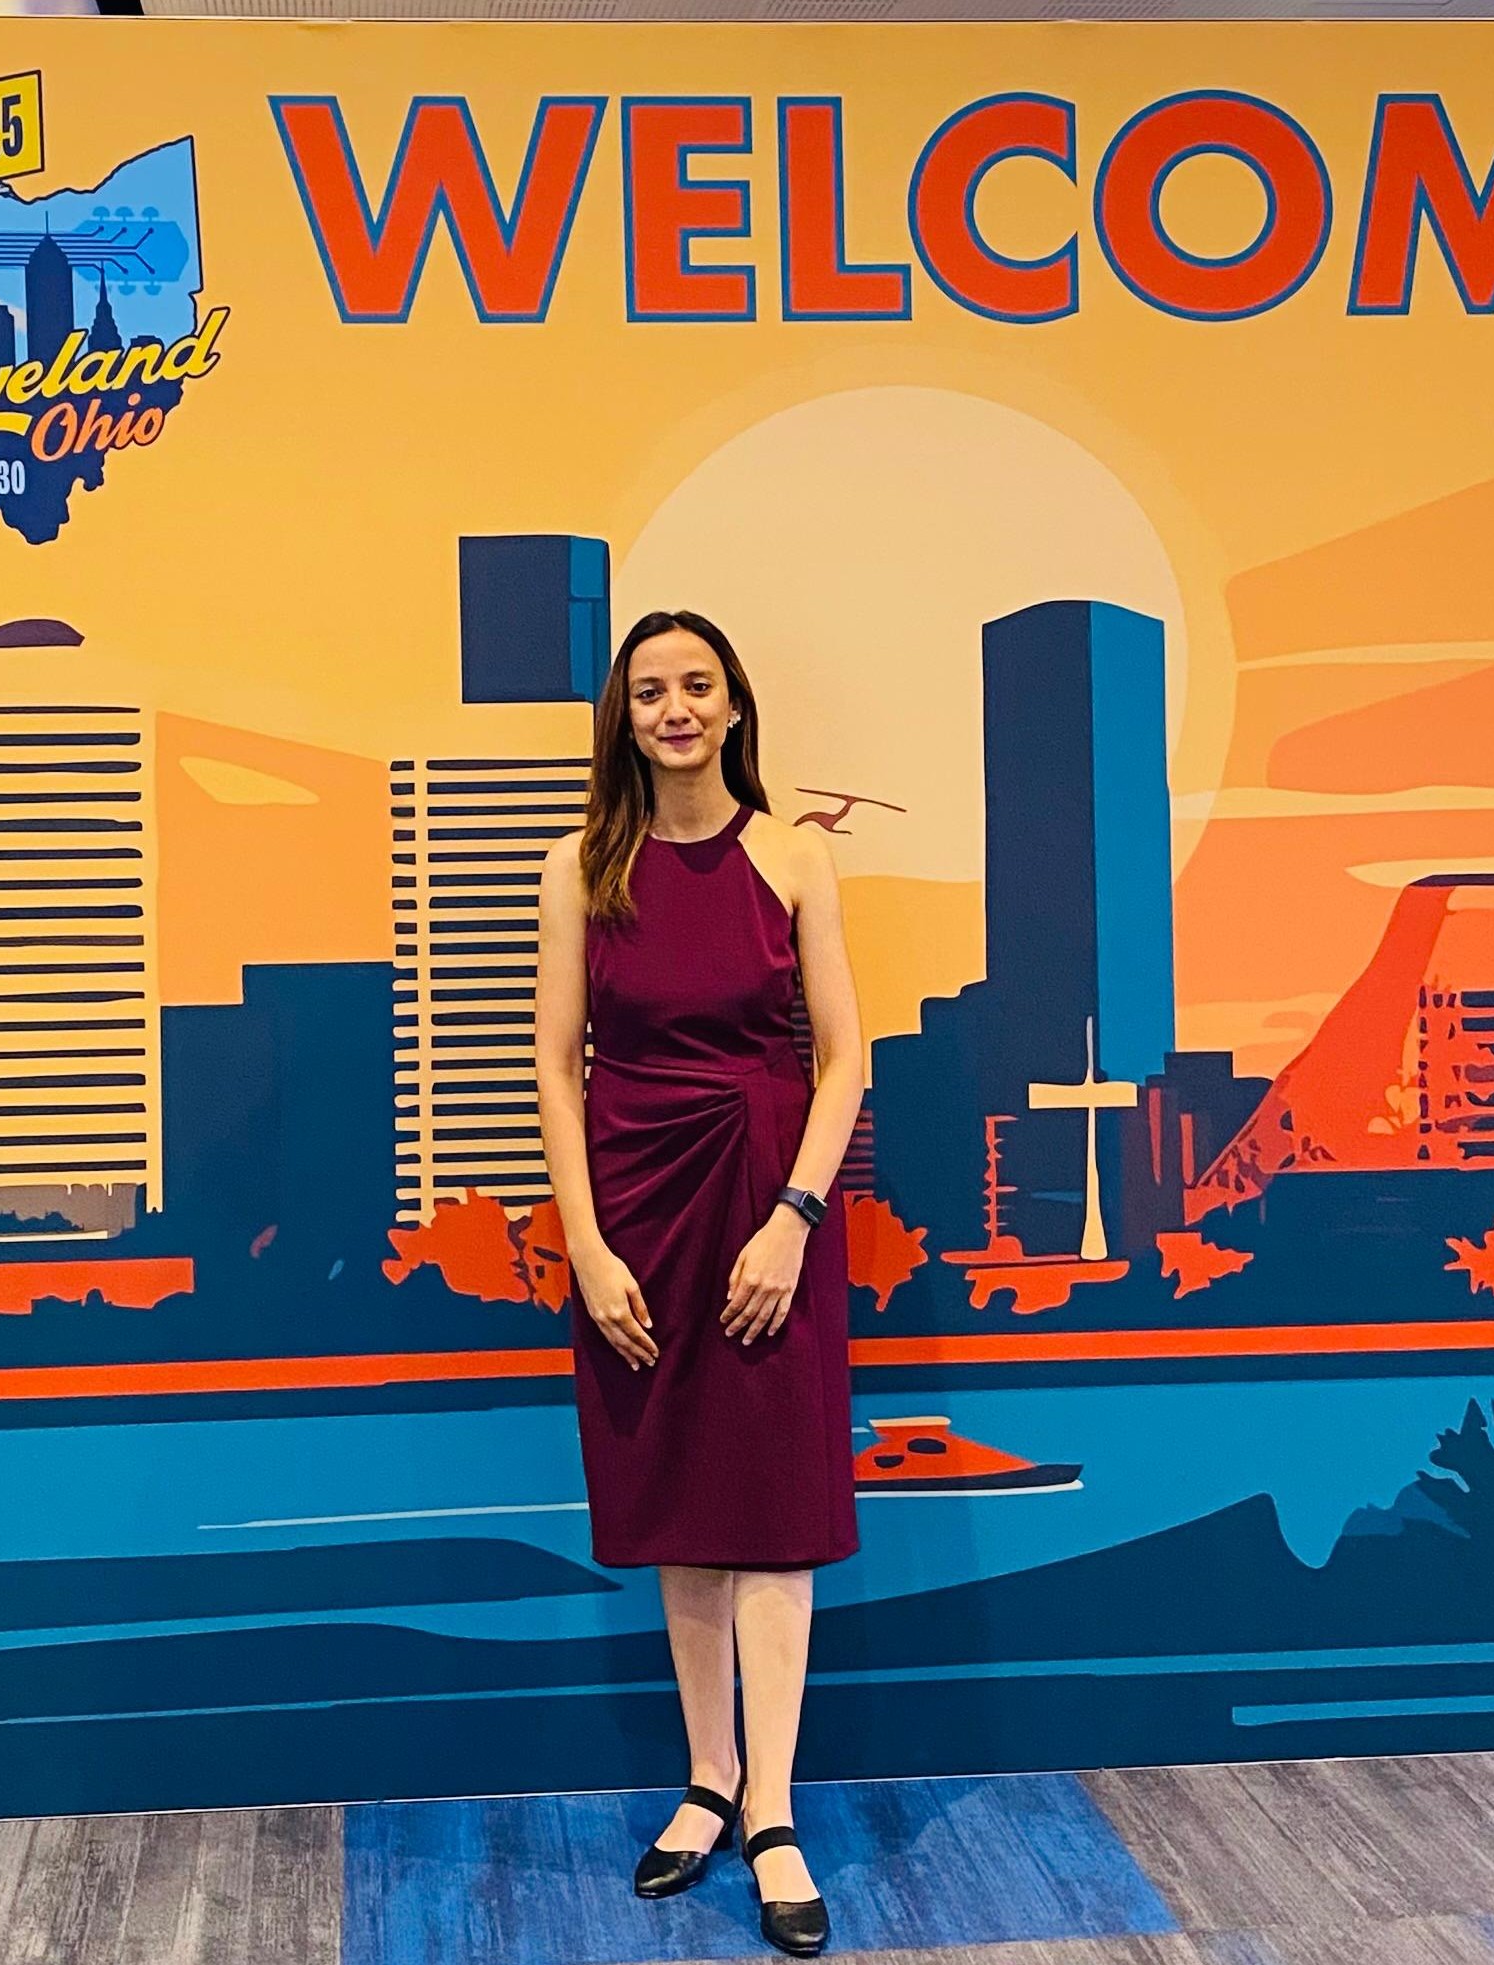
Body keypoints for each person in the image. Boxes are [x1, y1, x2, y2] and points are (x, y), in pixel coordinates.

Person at [535, 610, 864, 1958]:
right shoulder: (577, 864)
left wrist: (792, 1215)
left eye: (696, 686)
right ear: (624, 716)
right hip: (633, 1210)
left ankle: (775, 1811)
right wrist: (588, 1245)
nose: (673, 707)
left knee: (773, 1511)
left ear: (732, 708)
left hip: (768, 1203)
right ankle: (706, 1781)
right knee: (679, 1501)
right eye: (649, 689)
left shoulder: (792, 852)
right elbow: (558, 1064)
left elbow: (842, 1059)